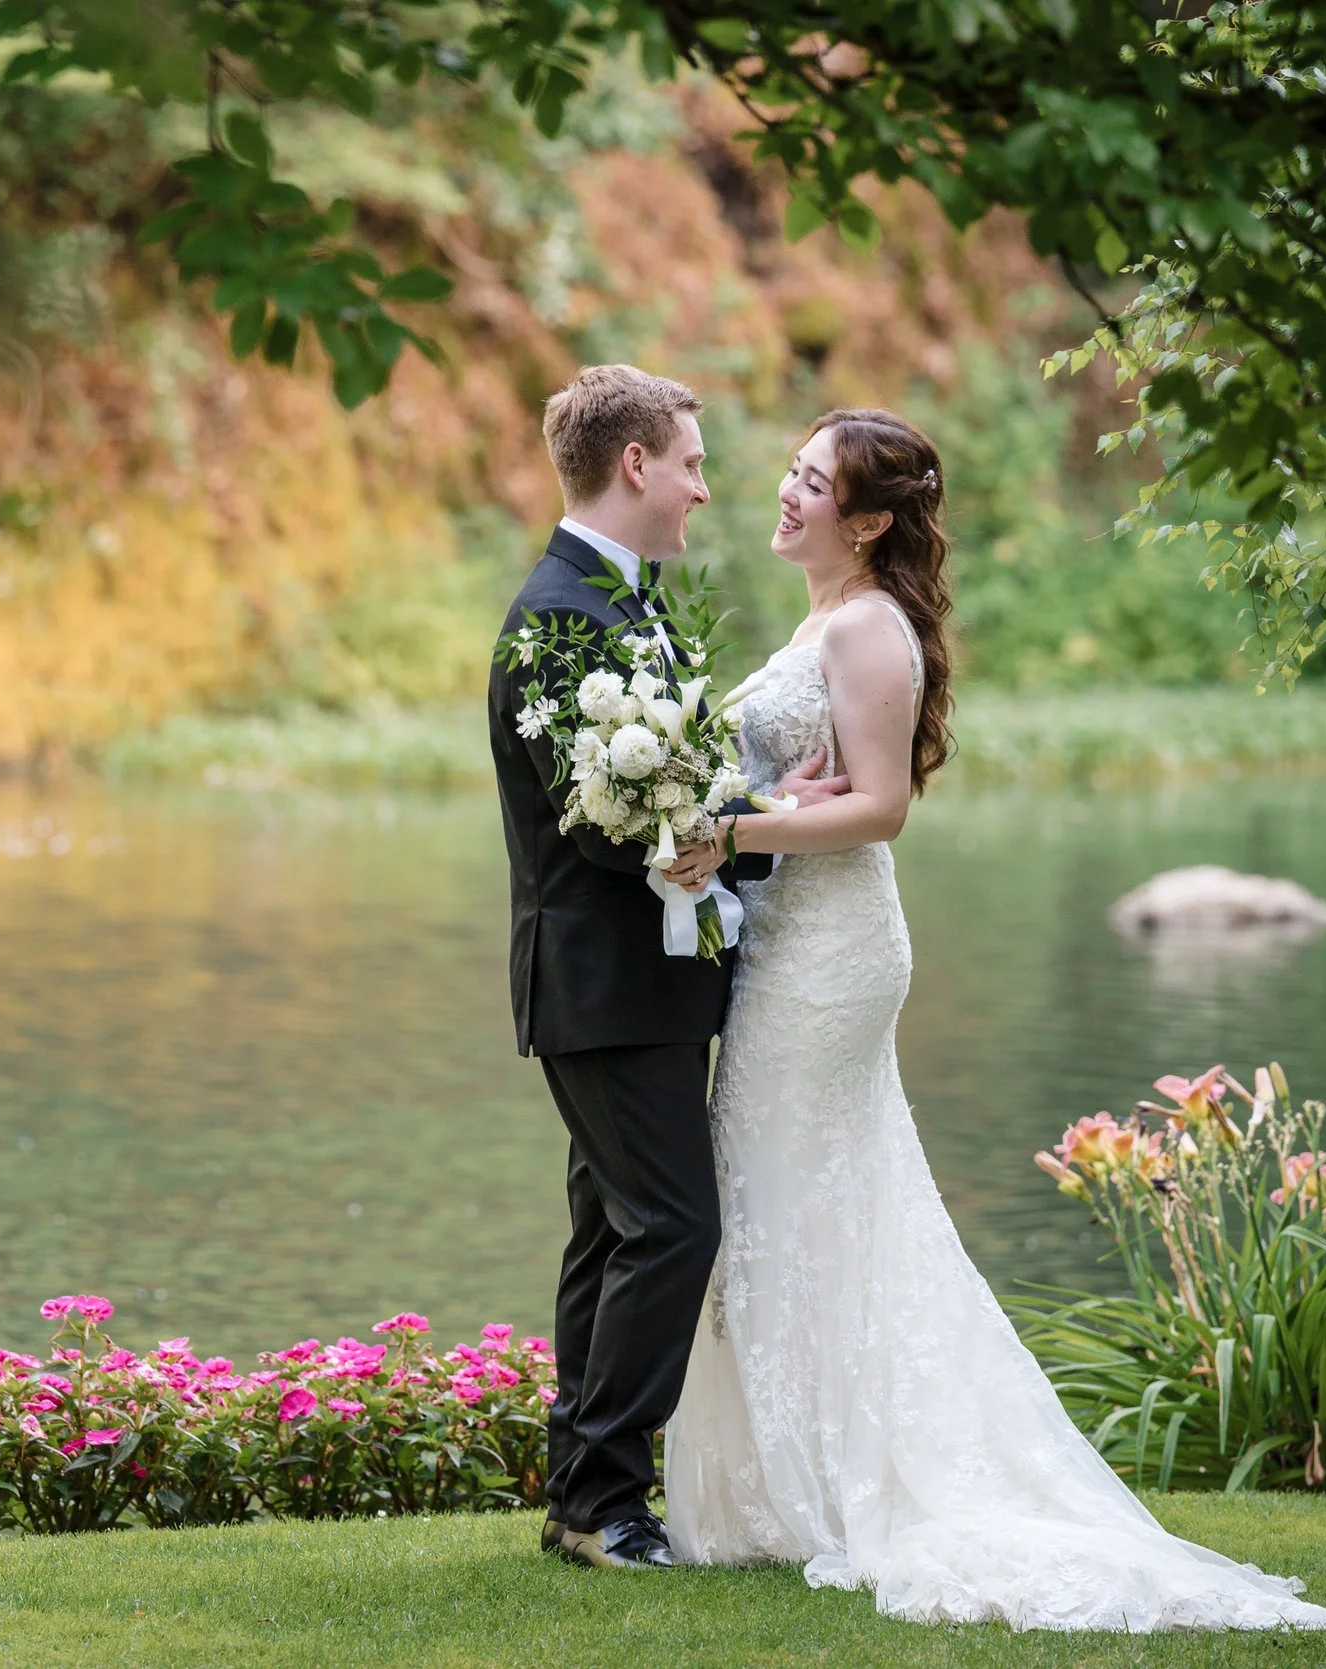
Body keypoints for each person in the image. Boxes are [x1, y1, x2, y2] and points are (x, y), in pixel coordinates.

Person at [653, 409, 1326, 1631]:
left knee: (793, 1190)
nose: (784, 491)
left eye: (812, 483)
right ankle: (780, 1482)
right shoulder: (824, 615)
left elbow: (876, 812)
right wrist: (747, 800)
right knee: (787, 1194)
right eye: (795, 472)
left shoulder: (870, 628)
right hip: (790, 947)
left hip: (833, 957)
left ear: (868, 520)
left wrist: (733, 829)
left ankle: (838, 1484)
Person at [485, 365, 843, 1572]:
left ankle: (579, 1496)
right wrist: (746, 831)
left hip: (641, 983)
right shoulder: (558, 617)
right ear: (634, 464)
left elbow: (663, 785)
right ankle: (603, 1498)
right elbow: (601, 819)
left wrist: (750, 811)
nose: (702, 485)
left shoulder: (619, 604)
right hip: (601, 986)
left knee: (613, 1230)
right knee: (675, 1226)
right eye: (689, 460)